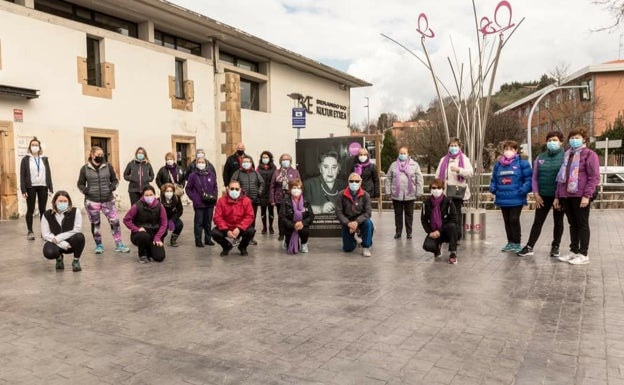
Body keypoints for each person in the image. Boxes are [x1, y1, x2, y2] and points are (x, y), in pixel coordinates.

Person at [554, 129, 600, 265]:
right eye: (572, 137)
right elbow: (561, 177)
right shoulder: (567, 154)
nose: (574, 140)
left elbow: (594, 177)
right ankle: (574, 250)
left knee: (582, 224)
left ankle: (583, 253)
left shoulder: (590, 154)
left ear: (584, 139)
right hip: (566, 195)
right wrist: (557, 196)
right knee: (572, 224)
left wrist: (587, 195)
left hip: (580, 194)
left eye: (577, 137)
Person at [517, 131, 565, 257]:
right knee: (537, 221)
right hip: (542, 196)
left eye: (554, 140)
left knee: (558, 222)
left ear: (561, 142)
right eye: (549, 140)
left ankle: (555, 246)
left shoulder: (566, 157)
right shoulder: (540, 157)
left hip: (558, 197)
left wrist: (558, 197)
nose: (551, 142)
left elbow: (564, 178)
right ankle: (529, 246)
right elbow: (534, 177)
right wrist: (536, 194)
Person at [77, 146, 131, 254]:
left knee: (115, 222)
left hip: (108, 200)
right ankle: (99, 245)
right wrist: (86, 191)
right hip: (92, 201)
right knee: (95, 224)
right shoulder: (84, 169)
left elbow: (115, 180)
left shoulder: (108, 166)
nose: (100, 156)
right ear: (92, 155)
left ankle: (119, 243)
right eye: (98, 154)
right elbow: (80, 184)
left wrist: (112, 188)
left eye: (102, 154)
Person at [489, 140, 532, 254]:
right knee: (507, 220)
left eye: (511, 149)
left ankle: (517, 242)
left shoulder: (523, 164)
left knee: (514, 219)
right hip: (502, 197)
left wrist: (523, 190)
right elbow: (494, 179)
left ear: (516, 151)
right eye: (506, 149)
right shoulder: (498, 165)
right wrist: (493, 188)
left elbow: (529, 180)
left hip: (516, 198)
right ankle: (510, 242)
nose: (508, 151)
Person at [435, 137, 473, 239]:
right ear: (448, 147)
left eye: (455, 145)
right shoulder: (443, 160)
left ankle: (456, 235)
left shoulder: (464, 159)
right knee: (445, 214)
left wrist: (459, 170)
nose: (453, 147)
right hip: (446, 192)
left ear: (459, 147)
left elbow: (470, 173)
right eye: (451, 146)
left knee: (456, 214)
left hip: (458, 191)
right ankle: (446, 234)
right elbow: (437, 175)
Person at [385, 147, 424, 239]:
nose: (402, 155)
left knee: (409, 214)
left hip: (410, 194)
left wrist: (419, 192)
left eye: (404, 153)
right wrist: (388, 191)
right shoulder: (393, 165)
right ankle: (398, 232)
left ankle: (409, 232)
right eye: (401, 153)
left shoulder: (415, 165)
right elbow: (388, 179)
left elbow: (419, 179)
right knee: (398, 214)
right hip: (396, 194)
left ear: (408, 154)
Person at [41, 191, 85, 272]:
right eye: (60, 201)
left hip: (70, 242)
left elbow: (77, 229)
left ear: (69, 202)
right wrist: (62, 243)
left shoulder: (76, 212)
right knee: (49, 252)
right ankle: (59, 258)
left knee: (79, 237)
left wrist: (59, 238)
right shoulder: (47, 215)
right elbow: (45, 234)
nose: (63, 203)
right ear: (55, 201)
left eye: (65, 201)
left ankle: (76, 261)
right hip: (55, 242)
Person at [123, 186, 167, 264]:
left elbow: (164, 223)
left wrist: (157, 237)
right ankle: (142, 254)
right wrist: (136, 229)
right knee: (143, 236)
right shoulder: (136, 206)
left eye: (151, 195)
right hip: (141, 234)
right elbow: (126, 220)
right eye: (146, 195)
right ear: (143, 196)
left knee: (160, 257)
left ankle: (150, 250)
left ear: (154, 195)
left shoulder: (160, 206)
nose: (149, 197)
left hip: (154, 235)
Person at [20, 137, 53, 240]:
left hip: (43, 186)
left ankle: (44, 232)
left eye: (36, 145)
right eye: (33, 145)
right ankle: (30, 231)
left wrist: (50, 187)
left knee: (43, 209)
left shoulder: (44, 159)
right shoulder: (26, 159)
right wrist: (23, 189)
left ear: (39, 147)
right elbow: (22, 175)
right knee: (30, 209)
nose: (35, 147)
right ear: (30, 147)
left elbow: (48, 173)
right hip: (31, 186)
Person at [211, 180, 256, 256]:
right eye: (232, 189)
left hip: (240, 227)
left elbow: (250, 216)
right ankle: (226, 247)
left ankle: (242, 247)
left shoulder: (247, 201)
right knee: (214, 233)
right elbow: (217, 217)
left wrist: (239, 228)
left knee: (251, 231)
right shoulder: (221, 201)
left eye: (237, 189)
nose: (234, 191)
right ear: (227, 189)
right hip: (227, 227)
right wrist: (226, 230)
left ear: (240, 189)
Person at [421, 179, 459, 264]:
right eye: (434, 188)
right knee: (427, 246)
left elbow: (454, 219)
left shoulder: (448, 202)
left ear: (442, 189)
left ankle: (453, 253)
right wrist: (430, 232)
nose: (436, 190)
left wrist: (440, 231)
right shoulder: (426, 203)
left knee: (452, 226)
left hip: (446, 231)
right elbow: (424, 220)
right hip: (434, 232)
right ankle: (437, 248)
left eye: (439, 188)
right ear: (430, 189)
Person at [336, 172, 374, 257]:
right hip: (347, 221)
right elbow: (338, 212)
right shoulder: (341, 195)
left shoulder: (365, 195)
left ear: (360, 182)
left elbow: (368, 212)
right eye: (352, 181)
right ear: (348, 182)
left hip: (361, 220)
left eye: (357, 181)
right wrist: (348, 223)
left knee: (369, 223)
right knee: (347, 249)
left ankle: (366, 247)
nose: (354, 183)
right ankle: (356, 240)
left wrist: (356, 222)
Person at [185, 157, 218, 247]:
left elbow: (215, 187)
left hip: (210, 202)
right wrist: (194, 197)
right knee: (199, 222)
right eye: (199, 162)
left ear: (206, 163)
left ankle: (208, 239)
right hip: (199, 203)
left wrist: (214, 196)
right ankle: (198, 240)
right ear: (196, 164)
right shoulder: (193, 176)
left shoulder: (211, 175)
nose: (201, 164)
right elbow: (188, 189)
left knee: (208, 222)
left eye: (202, 162)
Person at [231, 155, 264, 245]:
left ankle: (250, 238)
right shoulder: (237, 173)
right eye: (244, 162)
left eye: (248, 161)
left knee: (251, 219)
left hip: (254, 200)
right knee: (238, 219)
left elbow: (262, 183)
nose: (246, 163)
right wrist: (237, 194)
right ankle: (236, 237)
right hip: (240, 201)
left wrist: (259, 192)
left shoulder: (256, 173)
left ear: (251, 162)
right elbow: (232, 183)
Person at [270, 153, 301, 241]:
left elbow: (299, 184)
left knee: (291, 215)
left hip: (291, 197)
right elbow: (272, 186)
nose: (285, 161)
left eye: (287, 160)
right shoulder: (276, 172)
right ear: (280, 161)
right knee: (281, 217)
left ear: (290, 161)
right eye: (283, 160)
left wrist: (298, 196)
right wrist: (272, 199)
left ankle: (291, 231)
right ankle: (281, 234)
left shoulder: (295, 172)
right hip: (279, 198)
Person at [279, 179, 314, 254]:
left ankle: (304, 244)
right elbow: (282, 217)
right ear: (290, 189)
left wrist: (302, 223)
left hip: (302, 225)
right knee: (293, 249)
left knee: (305, 230)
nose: (296, 190)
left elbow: (311, 216)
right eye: (294, 188)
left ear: (301, 190)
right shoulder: (285, 202)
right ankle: (286, 239)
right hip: (290, 226)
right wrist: (293, 225)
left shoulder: (306, 201)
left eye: (298, 188)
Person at [257, 150, 277, 234]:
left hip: (271, 192)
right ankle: (264, 227)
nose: (265, 159)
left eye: (266, 157)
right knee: (263, 210)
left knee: (271, 210)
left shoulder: (274, 168)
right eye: (263, 157)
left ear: (270, 158)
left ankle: (271, 227)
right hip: (262, 192)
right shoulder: (258, 168)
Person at [160, 183, 184, 247]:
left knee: (179, 224)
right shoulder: (159, 200)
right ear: (163, 192)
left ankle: (173, 240)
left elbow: (180, 211)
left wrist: (172, 220)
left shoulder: (177, 198)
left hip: (172, 217)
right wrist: (166, 221)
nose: (169, 193)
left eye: (171, 191)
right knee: (163, 230)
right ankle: (159, 240)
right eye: (167, 191)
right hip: (162, 219)